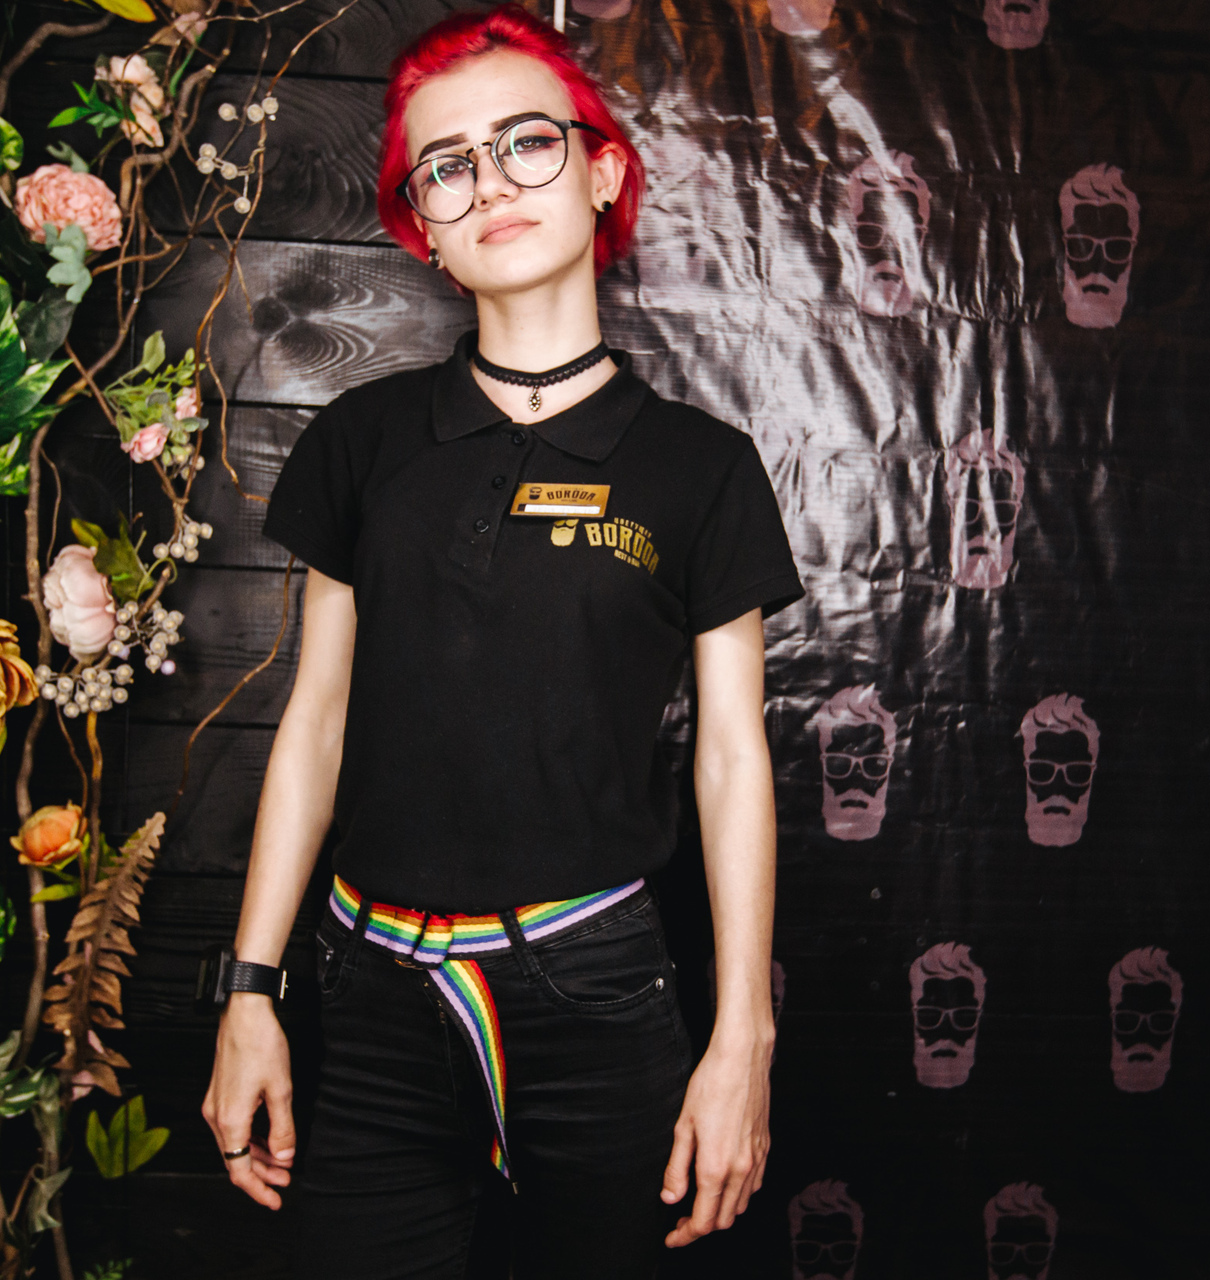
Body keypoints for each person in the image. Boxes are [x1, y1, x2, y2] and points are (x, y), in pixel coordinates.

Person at [199, 6, 806, 1277]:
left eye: (528, 142)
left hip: (596, 991)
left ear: (603, 171)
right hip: (368, 991)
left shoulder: (700, 468)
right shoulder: (364, 441)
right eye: (450, 164)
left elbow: (732, 761)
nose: (491, 183)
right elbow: (316, 722)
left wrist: (741, 1037)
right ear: (422, 225)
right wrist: (249, 992)